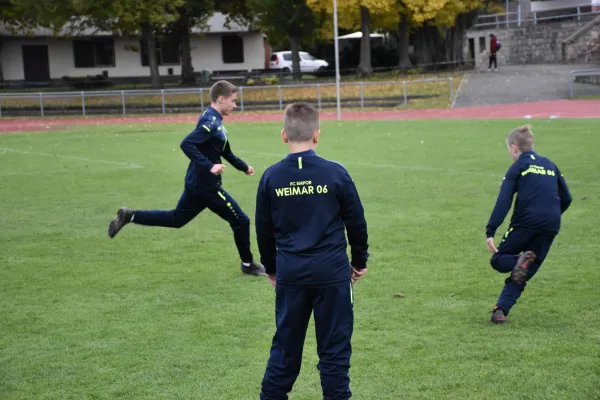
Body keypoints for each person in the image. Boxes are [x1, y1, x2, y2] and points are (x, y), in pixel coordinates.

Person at [255, 103, 369, 399]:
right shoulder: (336, 173)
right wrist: (359, 261)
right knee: (334, 353)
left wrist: (271, 268)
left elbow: (263, 230)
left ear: (284, 135)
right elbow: (356, 222)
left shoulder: (271, 177)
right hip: (331, 273)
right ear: (317, 135)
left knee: (285, 349)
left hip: (291, 274)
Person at [108, 80, 266, 277]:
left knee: (176, 219)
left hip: (196, 183)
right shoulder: (210, 121)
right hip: (206, 187)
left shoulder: (215, 121)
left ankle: (130, 216)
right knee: (241, 221)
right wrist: (210, 166)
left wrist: (243, 167)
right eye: (233, 101)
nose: (235, 105)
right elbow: (187, 144)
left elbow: (224, 151)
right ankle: (248, 264)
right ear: (221, 99)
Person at [485, 124, 572, 324]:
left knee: (499, 260)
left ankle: (518, 261)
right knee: (522, 272)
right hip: (551, 224)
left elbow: (504, 200)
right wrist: (551, 216)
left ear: (514, 148)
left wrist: (491, 230)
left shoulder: (518, 167)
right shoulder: (550, 165)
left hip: (525, 222)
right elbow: (566, 198)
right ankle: (501, 310)